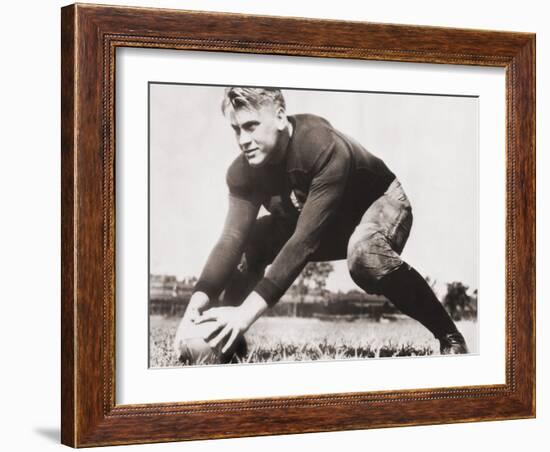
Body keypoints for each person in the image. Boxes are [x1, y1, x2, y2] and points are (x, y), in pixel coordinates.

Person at [173, 87, 468, 359]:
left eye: (251, 126)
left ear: (278, 116)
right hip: (319, 222)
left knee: (365, 255)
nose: (243, 140)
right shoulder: (241, 171)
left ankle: (450, 336)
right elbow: (231, 239)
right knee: (250, 244)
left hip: (376, 204)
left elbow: (304, 241)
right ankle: (228, 345)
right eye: (236, 129)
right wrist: (195, 307)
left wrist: (244, 314)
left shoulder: (320, 144)